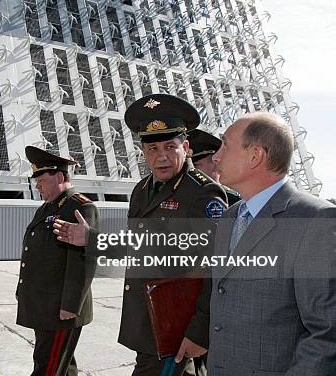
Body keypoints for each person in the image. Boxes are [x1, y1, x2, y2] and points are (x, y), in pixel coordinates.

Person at [54, 94, 227, 375]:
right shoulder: (143, 189)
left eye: (170, 147)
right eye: (153, 148)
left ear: (186, 148)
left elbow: (214, 268)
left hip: (177, 326)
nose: (161, 156)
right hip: (148, 321)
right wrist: (92, 239)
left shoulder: (203, 193)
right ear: (143, 152)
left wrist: (200, 331)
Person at [208, 112, 336, 375]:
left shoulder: (313, 219)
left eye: (225, 145)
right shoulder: (230, 217)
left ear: (256, 156)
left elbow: (327, 332)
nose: (216, 157)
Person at [16, 145, 99, 376]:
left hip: (60, 310)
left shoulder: (80, 207)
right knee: (62, 365)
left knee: (47, 368)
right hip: (44, 306)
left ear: (60, 177)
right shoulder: (47, 207)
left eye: (41, 180)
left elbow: (84, 261)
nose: (37, 185)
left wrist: (70, 305)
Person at [187, 129, 241, 206]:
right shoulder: (183, 197)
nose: (190, 170)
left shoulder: (234, 201)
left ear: (215, 164)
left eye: (195, 165)